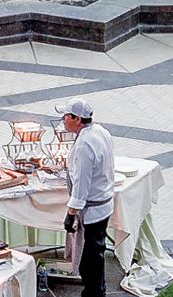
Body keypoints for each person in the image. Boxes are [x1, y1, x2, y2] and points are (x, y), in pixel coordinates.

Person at [59, 97, 117, 297]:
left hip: (93, 211)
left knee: (89, 261)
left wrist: (70, 213)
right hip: (104, 205)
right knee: (96, 255)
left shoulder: (84, 144)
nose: (63, 120)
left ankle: (94, 293)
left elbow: (82, 185)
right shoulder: (101, 131)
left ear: (77, 119)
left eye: (66, 116)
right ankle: (96, 291)